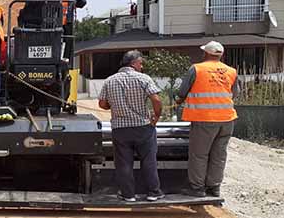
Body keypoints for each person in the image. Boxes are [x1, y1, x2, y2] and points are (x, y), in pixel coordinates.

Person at [98, 50, 164, 202]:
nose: (142, 66)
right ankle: (154, 192)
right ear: (133, 63)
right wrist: (156, 117)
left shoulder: (110, 80)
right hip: (143, 128)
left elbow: (102, 104)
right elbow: (157, 99)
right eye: (141, 63)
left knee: (124, 163)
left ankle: (128, 195)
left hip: (120, 129)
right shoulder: (143, 78)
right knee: (148, 160)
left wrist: (113, 105)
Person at [177, 41, 239, 198]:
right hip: (227, 120)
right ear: (221, 55)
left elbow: (182, 92)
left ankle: (197, 188)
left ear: (205, 53)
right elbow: (235, 94)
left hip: (204, 119)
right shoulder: (231, 71)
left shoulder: (197, 69)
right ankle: (214, 187)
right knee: (219, 155)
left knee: (199, 154)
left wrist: (178, 100)